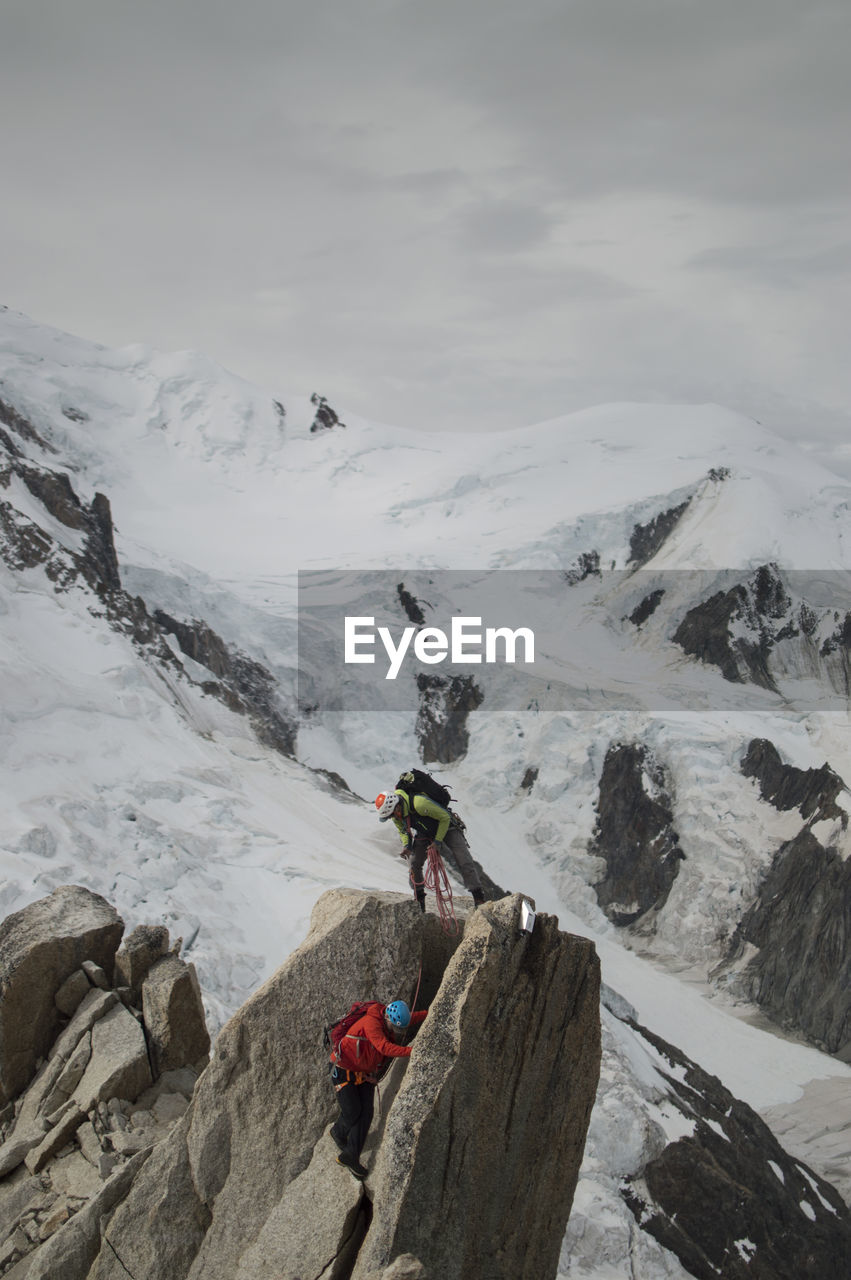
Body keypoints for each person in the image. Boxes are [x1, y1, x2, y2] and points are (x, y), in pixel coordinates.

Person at [329, 999, 427, 1179]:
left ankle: (350, 1154)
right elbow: (384, 1046)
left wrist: (428, 1013)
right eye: (396, 1028)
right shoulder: (372, 1023)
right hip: (342, 1069)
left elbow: (408, 1018)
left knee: (366, 1113)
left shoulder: (389, 1018)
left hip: (363, 1072)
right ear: (389, 1019)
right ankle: (338, 1132)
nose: (397, 1032)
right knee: (353, 1111)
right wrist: (413, 1051)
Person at [375, 785, 486, 910]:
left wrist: (437, 842)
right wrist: (407, 846)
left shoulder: (419, 804)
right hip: (425, 831)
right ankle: (419, 902)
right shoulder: (396, 814)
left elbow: (444, 817)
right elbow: (403, 830)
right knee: (414, 863)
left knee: (464, 861)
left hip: (447, 826)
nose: (392, 818)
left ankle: (478, 898)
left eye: (391, 815)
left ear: (397, 806)